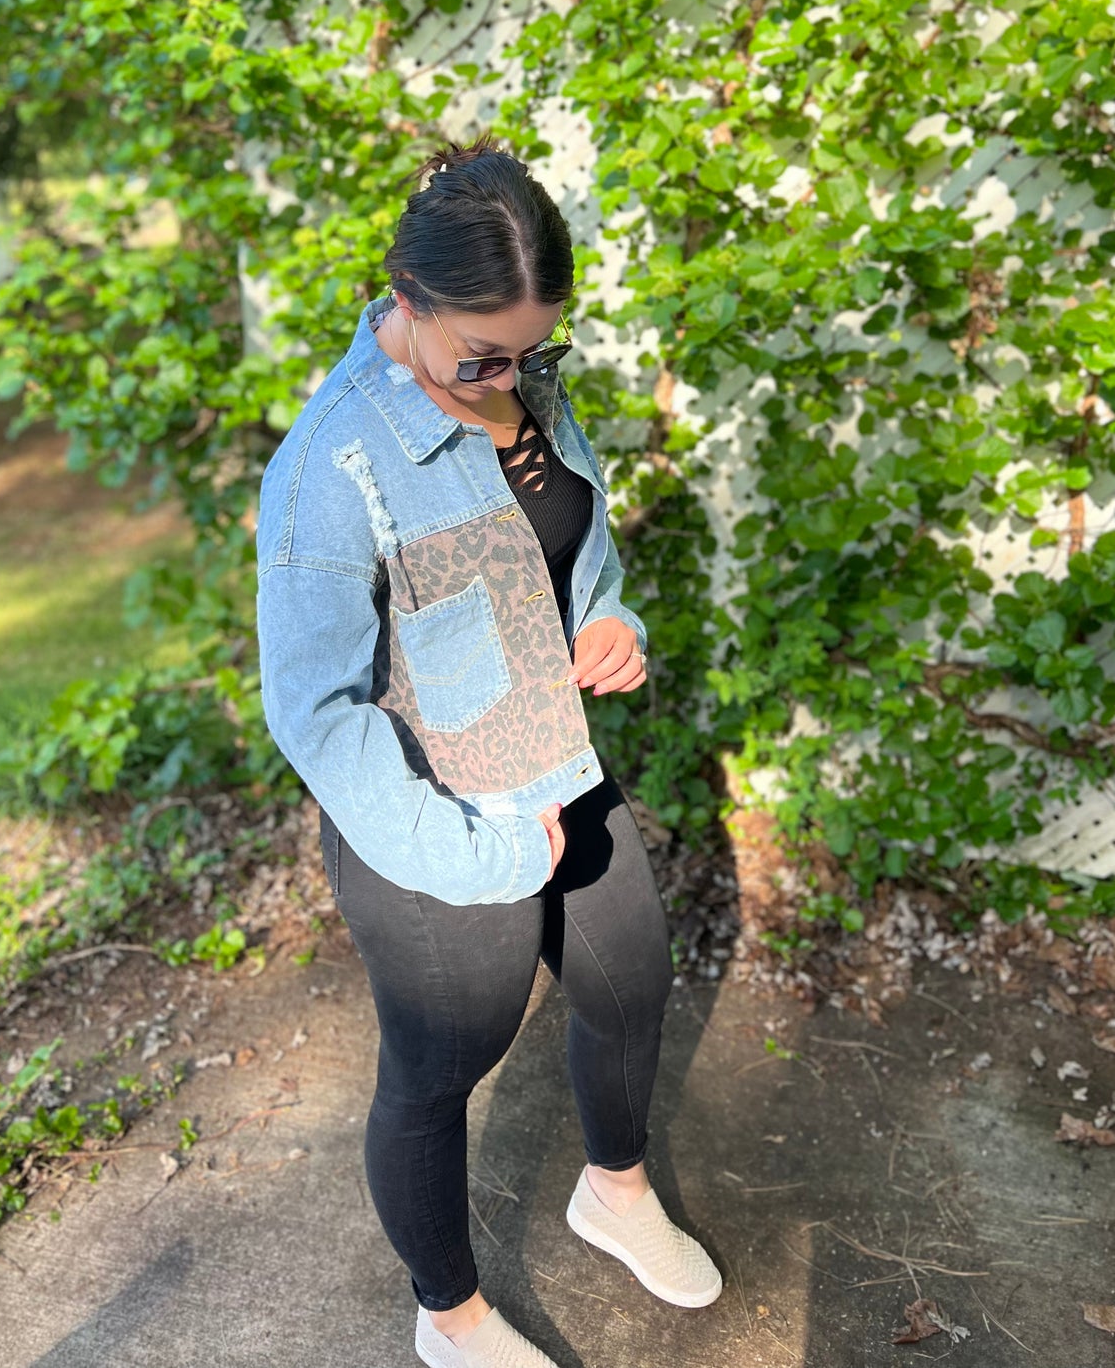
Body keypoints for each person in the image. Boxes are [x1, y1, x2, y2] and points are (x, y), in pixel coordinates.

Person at [255, 136, 722, 1368]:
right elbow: (320, 716)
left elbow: (581, 546)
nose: (512, 380)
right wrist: (480, 850)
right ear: (407, 304)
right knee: (443, 1061)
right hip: (426, 813)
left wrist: (610, 619)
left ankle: (612, 1193)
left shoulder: (528, 384)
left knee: (631, 978)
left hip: (553, 760)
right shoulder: (327, 469)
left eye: (535, 351)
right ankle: (448, 1316)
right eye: (484, 357)